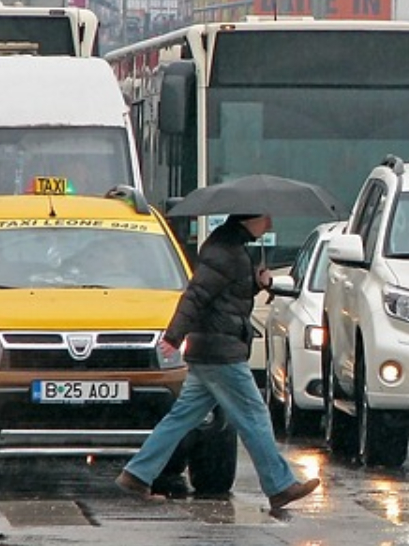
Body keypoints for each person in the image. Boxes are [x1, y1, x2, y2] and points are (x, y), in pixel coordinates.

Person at [116, 213, 321, 511]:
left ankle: (136, 474)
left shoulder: (230, 249)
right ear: (249, 218)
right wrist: (173, 336)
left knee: (181, 418)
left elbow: (224, 296)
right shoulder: (226, 252)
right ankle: (279, 486)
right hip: (219, 351)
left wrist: (258, 283)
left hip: (212, 348)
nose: (270, 225)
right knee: (254, 415)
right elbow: (196, 295)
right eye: (266, 218)